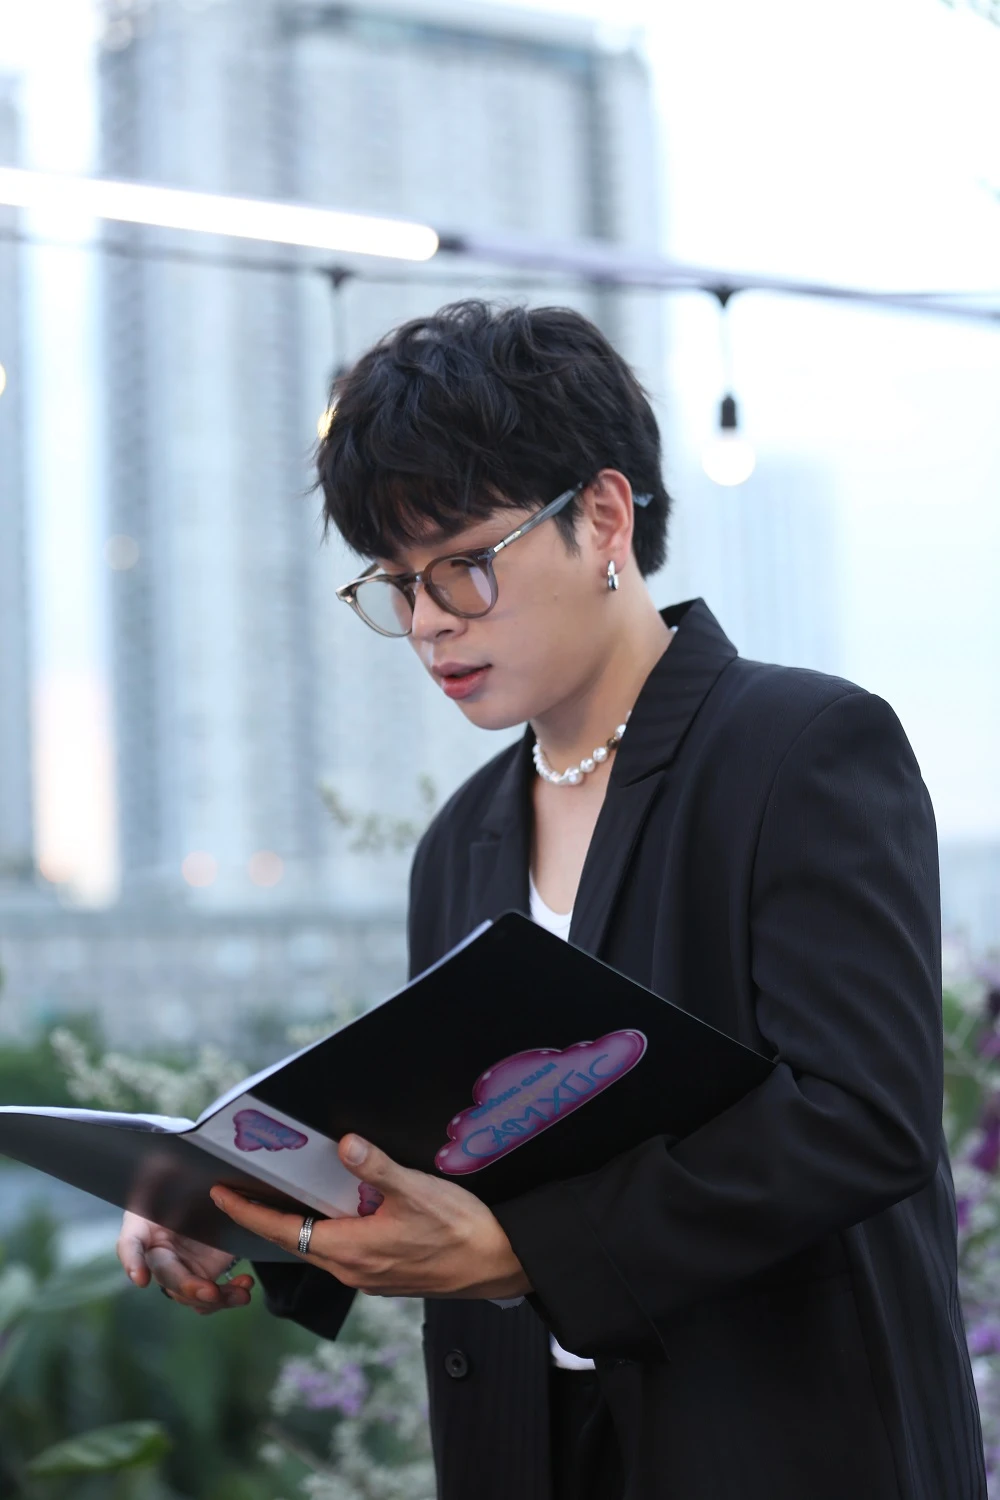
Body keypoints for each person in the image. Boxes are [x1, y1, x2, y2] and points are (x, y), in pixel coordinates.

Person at [117, 300, 986, 1500]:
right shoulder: (460, 841)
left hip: (783, 1440)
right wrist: (237, 1210)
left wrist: (527, 1250)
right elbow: (444, 1141)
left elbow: (859, 1116)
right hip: (528, 1447)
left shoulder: (800, 748)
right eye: (397, 585)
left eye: (464, 565)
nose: (428, 621)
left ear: (604, 517)